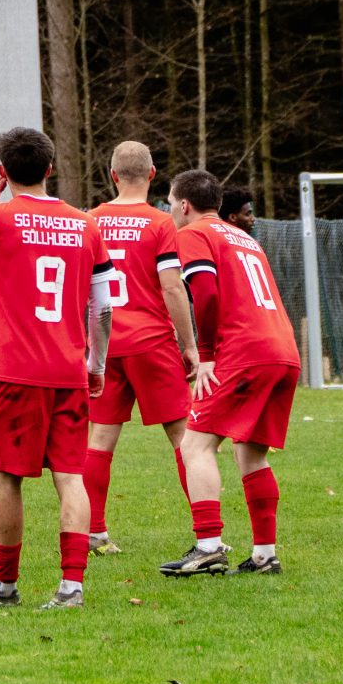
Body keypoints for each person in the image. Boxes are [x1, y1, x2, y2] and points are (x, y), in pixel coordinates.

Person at [0, 127, 110, 610]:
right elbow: (103, 307)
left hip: (15, 371)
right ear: (50, 169)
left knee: (7, 479)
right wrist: (95, 363)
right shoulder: (86, 224)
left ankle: (5, 585)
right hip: (68, 370)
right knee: (71, 476)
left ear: (2, 171)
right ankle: (72, 586)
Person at [163, 168, 301, 578]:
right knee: (251, 452)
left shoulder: (193, 234)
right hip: (282, 350)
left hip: (244, 352)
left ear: (184, 205)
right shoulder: (244, 238)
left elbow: (204, 292)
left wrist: (205, 354)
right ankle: (264, 554)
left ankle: (208, 546)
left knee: (195, 446)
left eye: (171, 205)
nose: (171, 213)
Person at [82, 142, 203, 555]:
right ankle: (206, 534)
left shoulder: (91, 220)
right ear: (153, 175)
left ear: (112, 175)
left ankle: (95, 532)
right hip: (151, 343)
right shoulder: (160, 222)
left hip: (105, 343)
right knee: (185, 438)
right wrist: (189, 346)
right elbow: (172, 286)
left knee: (100, 438)